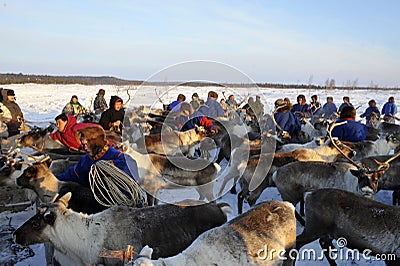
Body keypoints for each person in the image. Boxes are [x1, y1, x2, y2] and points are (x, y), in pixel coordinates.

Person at [56, 126, 146, 207]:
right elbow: (71, 175)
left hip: (127, 203)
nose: (85, 148)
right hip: (103, 203)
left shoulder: (116, 156)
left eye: (88, 144)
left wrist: (110, 166)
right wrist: (54, 179)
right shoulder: (85, 161)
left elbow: (131, 167)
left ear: (97, 142)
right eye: (83, 145)